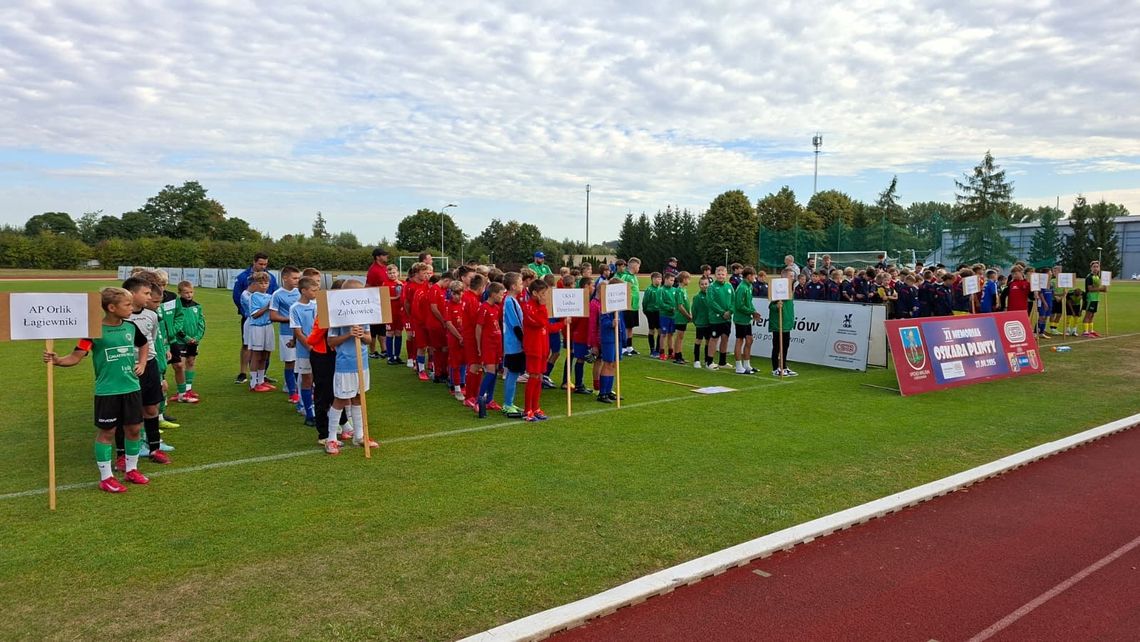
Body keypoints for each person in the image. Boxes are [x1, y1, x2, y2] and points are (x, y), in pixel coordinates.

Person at [43, 287, 151, 493]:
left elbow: (144, 344)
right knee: (107, 432)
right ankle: (106, 477)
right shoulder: (93, 332)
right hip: (107, 391)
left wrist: (143, 363)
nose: (132, 308)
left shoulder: (131, 327)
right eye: (127, 305)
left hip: (131, 388)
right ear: (111, 307)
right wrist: (57, 360)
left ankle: (131, 469)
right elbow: (76, 356)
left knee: (135, 429)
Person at [325, 280, 376, 455]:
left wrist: (362, 336)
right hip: (345, 364)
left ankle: (359, 435)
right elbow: (330, 342)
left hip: (362, 364)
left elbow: (369, 339)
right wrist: (349, 334)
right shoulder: (336, 316)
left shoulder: (363, 314)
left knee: (358, 398)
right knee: (340, 399)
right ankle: (331, 437)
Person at [124, 277, 171, 464]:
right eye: (146, 293)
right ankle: (125, 454)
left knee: (152, 408)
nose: (149, 297)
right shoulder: (123, 316)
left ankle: (154, 448)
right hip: (126, 366)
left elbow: (150, 341)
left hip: (149, 365)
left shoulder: (151, 315)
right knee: (128, 413)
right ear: (132, 294)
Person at [231, 252, 278, 384]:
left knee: (264, 348)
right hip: (249, 317)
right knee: (247, 345)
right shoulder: (243, 277)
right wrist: (246, 311)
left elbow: (275, 294)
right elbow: (237, 296)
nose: (263, 266)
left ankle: (261, 376)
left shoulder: (271, 277)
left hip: (265, 319)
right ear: (254, 262)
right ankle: (242, 373)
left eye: (265, 264)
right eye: (260, 263)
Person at [521, 279, 561, 421]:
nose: (545, 296)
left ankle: (536, 407)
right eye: (543, 293)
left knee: (539, 378)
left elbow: (547, 327)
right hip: (533, 348)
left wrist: (563, 324)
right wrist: (543, 307)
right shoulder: (528, 307)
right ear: (535, 293)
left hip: (543, 347)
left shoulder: (539, 307)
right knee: (533, 377)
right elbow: (540, 322)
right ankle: (527, 410)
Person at [270, 266, 302, 407]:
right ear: (285, 278)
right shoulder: (277, 294)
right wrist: (291, 319)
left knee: (300, 363)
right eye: (294, 278)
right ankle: (292, 392)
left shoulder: (300, 292)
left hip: (301, 333)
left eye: (298, 278)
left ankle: (296, 388)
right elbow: (273, 316)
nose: (297, 280)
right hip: (287, 333)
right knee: (290, 362)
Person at [290, 276, 320, 426]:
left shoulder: (316, 305)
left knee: (318, 380)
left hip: (318, 349)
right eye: (313, 290)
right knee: (307, 380)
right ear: (304, 291)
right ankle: (309, 414)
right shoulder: (295, 308)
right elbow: (298, 332)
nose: (316, 292)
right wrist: (309, 347)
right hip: (305, 350)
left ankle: (318, 410)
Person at [473, 282, 506, 417]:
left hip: (497, 344)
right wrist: (479, 347)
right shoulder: (484, 308)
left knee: (495, 371)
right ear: (493, 294)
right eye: (500, 294)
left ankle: (490, 400)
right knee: (491, 372)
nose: (502, 296)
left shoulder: (497, 308)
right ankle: (478, 399)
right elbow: (478, 328)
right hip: (488, 345)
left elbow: (496, 325)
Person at [170, 281, 205, 403]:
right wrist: (186, 338)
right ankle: (182, 391)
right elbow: (175, 324)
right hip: (180, 341)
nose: (189, 295)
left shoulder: (197, 306)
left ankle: (189, 389)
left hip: (194, 341)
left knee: (191, 361)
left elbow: (201, 323)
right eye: (186, 292)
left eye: (191, 292)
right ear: (179, 293)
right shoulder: (176, 306)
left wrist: (197, 337)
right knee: (180, 364)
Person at [500, 272, 526, 418]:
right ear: (513, 286)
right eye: (520, 283)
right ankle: (507, 404)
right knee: (512, 373)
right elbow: (515, 324)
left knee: (514, 374)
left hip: (514, 343)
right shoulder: (509, 301)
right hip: (513, 344)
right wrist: (523, 341)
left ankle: (509, 402)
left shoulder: (512, 300)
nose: (522, 286)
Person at [245, 272, 275, 392]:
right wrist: (267, 307)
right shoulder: (254, 296)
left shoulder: (270, 296)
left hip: (268, 326)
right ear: (255, 284)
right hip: (257, 327)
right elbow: (255, 315)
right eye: (261, 283)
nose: (264, 285)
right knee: (256, 354)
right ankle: (253, 383)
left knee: (265, 355)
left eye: (266, 283)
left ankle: (261, 381)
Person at [597, 278, 625, 403]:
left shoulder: (619, 304)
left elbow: (622, 322)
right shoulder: (606, 304)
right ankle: (602, 393)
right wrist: (611, 323)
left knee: (614, 363)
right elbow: (603, 321)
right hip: (608, 337)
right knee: (608, 363)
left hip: (617, 337)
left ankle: (609, 390)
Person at [732, 267, 761, 374]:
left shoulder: (749, 286)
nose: (755, 277)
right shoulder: (742, 288)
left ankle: (747, 365)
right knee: (739, 341)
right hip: (740, 319)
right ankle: (738, 366)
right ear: (749, 276)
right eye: (754, 275)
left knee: (749, 340)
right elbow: (739, 306)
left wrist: (754, 311)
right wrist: (751, 312)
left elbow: (749, 303)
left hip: (747, 319)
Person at [705, 265, 734, 370]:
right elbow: (711, 302)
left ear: (726, 275)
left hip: (727, 318)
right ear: (715, 275)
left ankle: (722, 362)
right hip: (716, 318)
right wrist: (722, 312)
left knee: (725, 338)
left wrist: (730, 311)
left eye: (723, 274)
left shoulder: (729, 286)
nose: (721, 276)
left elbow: (733, 301)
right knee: (714, 339)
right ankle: (709, 362)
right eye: (719, 274)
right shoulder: (711, 287)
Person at [569, 277, 595, 392]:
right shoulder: (581, 301)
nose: (593, 288)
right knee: (580, 359)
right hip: (580, 335)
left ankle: (580, 384)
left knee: (582, 359)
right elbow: (575, 320)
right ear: (586, 286)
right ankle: (578, 384)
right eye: (592, 285)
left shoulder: (587, 300)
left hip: (584, 334)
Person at [770, 268, 797, 377]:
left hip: (787, 322)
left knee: (785, 346)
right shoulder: (777, 290)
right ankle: (775, 368)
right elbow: (771, 306)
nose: (793, 278)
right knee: (777, 346)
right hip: (778, 323)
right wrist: (776, 306)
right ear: (784, 276)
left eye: (793, 276)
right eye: (790, 276)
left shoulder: (790, 290)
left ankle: (784, 366)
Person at [366, 248, 392, 359]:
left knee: (382, 328)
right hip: (375, 302)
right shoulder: (373, 270)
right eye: (384, 255)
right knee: (374, 329)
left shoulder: (385, 268)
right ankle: (372, 351)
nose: (386, 256)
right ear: (378, 257)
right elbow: (368, 286)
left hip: (383, 302)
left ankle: (384, 349)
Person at [616, 258, 641, 355]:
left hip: (634, 306)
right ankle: (623, 347)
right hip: (627, 306)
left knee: (630, 327)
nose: (639, 268)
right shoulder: (625, 276)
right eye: (638, 266)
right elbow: (618, 288)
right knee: (625, 326)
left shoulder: (634, 277)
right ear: (634, 266)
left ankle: (629, 346)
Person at [385, 263, 405, 365]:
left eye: (394, 272)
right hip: (389, 312)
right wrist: (395, 298)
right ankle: (389, 356)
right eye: (390, 273)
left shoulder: (401, 283)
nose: (392, 275)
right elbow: (382, 298)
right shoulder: (384, 284)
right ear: (387, 274)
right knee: (390, 333)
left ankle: (397, 356)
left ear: (397, 273)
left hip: (399, 313)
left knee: (398, 333)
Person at [672, 271, 693, 365]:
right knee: (679, 337)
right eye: (688, 279)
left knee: (681, 337)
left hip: (683, 318)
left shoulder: (683, 290)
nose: (689, 281)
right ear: (684, 279)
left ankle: (679, 355)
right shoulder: (679, 291)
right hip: (680, 318)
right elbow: (680, 306)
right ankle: (677, 356)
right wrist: (688, 316)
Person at [691, 275, 711, 368]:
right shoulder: (697, 297)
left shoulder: (712, 296)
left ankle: (707, 360)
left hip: (710, 323)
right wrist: (696, 321)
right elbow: (694, 311)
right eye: (702, 284)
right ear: (699, 285)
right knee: (698, 340)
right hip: (700, 323)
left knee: (708, 341)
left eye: (706, 284)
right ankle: (696, 360)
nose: (704, 286)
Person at [641, 272, 662, 357]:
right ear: (653, 279)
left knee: (660, 330)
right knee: (652, 330)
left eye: (660, 279)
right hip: (651, 312)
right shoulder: (649, 290)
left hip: (659, 312)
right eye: (658, 279)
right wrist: (646, 311)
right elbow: (644, 302)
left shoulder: (661, 289)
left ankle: (658, 349)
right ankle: (652, 350)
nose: (659, 281)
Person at [657, 272, 677, 361]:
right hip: (664, 315)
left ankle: (671, 352)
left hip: (673, 316)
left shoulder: (675, 290)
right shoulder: (660, 290)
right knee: (663, 334)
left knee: (671, 334)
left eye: (673, 280)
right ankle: (661, 353)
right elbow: (660, 303)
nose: (672, 282)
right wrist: (670, 308)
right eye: (671, 280)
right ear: (666, 279)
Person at [1082, 260, 1104, 337]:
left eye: (1097, 267)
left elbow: (1097, 288)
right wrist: (1101, 289)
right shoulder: (1089, 277)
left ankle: (1091, 330)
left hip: (1096, 298)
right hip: (1090, 298)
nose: (1095, 268)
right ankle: (1085, 332)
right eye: (1094, 267)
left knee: (1092, 315)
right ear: (1091, 268)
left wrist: (1103, 289)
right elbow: (1090, 289)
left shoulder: (1097, 277)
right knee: (1088, 314)